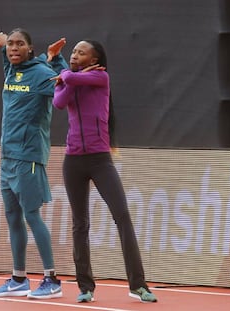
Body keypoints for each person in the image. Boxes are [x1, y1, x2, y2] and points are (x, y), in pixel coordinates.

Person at [52, 40, 158, 303]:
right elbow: (58, 103)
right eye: (73, 52)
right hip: (73, 161)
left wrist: (65, 73)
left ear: (94, 59)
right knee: (80, 224)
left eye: (80, 52)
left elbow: (68, 78)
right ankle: (85, 287)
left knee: (122, 216)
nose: (74, 55)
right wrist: (68, 76)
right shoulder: (72, 82)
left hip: (100, 161)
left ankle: (138, 285)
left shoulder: (101, 77)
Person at [0, 28, 68, 299]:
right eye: (10, 45)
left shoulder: (42, 74)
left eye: (20, 44)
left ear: (31, 49)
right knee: (13, 218)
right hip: (7, 158)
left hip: (29, 157)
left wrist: (57, 60)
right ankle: (18, 279)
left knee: (32, 215)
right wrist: (2, 44)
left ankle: (51, 279)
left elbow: (66, 85)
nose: (13, 49)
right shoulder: (11, 69)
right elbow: (7, 56)